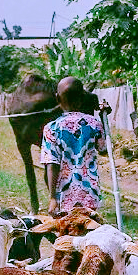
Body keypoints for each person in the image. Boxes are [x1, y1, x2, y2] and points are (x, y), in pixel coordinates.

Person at [40, 76, 107, 216]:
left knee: (67, 232)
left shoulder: (51, 128)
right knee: (88, 230)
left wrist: (52, 197)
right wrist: (103, 117)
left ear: (57, 99)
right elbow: (103, 149)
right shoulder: (94, 124)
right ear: (83, 98)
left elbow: (52, 164)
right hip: (90, 193)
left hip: (64, 195)